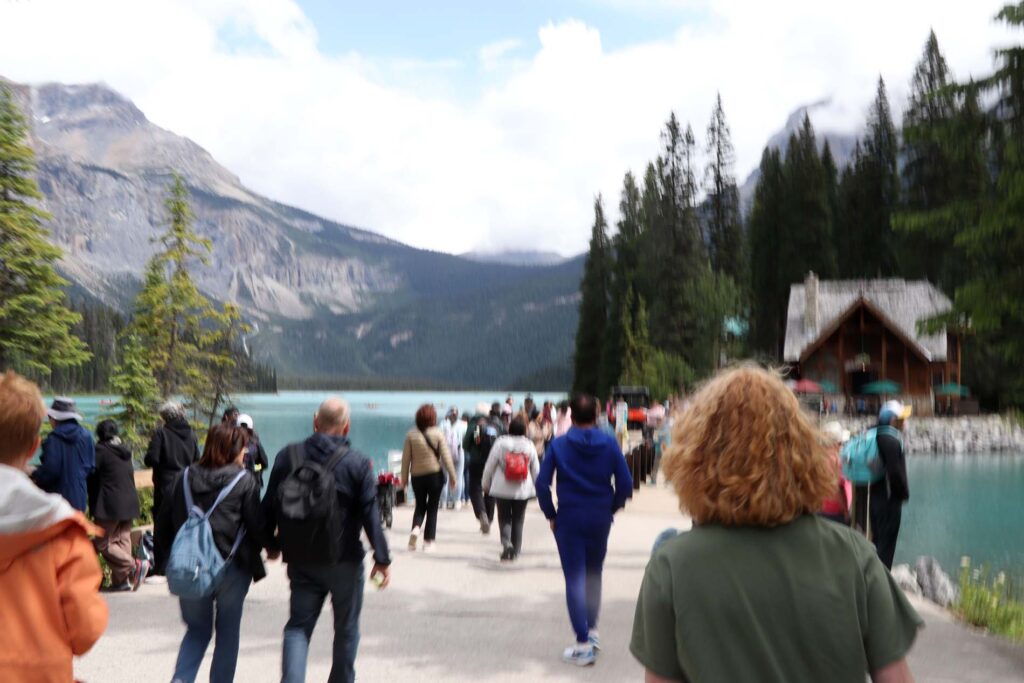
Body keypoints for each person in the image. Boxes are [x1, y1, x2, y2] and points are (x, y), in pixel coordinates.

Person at [630, 366, 922, 683]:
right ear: (801, 451)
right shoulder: (856, 557)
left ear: (694, 459)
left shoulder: (671, 567)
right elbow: (896, 678)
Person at [263, 397, 392, 683]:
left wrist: (271, 545)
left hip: (301, 559)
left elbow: (268, 506)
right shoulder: (357, 463)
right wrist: (381, 559)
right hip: (344, 560)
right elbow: (371, 515)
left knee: (298, 627)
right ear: (346, 428)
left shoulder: (288, 456)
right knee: (346, 630)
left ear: (315, 422)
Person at [0, 371, 108, 682]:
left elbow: (49, 472)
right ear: (32, 446)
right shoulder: (64, 536)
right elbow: (85, 631)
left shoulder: (55, 440)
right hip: (43, 675)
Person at [536, 394, 633, 666]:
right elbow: (625, 483)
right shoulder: (609, 443)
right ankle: (592, 631)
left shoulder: (559, 444)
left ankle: (582, 645)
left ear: (571, 416)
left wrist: (551, 514)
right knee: (594, 573)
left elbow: (542, 484)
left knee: (574, 578)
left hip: (570, 516)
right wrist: (612, 507)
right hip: (599, 515)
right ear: (597, 413)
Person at [168, 424, 267, 683]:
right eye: (243, 447)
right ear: (234, 449)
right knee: (227, 632)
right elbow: (256, 525)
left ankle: (181, 680)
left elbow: (167, 519)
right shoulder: (244, 480)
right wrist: (273, 546)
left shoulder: (184, 476)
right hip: (231, 568)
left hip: (191, 566)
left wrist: (164, 561)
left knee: (197, 630)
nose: (246, 452)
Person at [89, 419, 148, 591]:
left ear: (100, 434)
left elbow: (91, 472)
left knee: (102, 542)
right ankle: (121, 582)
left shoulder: (100, 450)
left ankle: (135, 565)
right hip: (130, 501)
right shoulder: (124, 451)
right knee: (122, 539)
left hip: (111, 503)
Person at [146, 401, 201, 578]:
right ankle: (185, 564)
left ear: (166, 417)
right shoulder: (191, 434)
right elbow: (197, 459)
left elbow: (152, 459)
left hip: (165, 484)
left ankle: (161, 566)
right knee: (183, 523)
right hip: (186, 484)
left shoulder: (162, 434)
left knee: (162, 525)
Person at [483, 415, 540, 561]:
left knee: (504, 517)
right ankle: (515, 551)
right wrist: (539, 488)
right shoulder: (529, 445)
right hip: (523, 489)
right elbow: (536, 469)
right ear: (525, 430)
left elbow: (490, 465)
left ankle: (506, 543)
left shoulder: (501, 443)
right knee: (519, 519)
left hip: (502, 488)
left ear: (510, 428)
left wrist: (485, 484)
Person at [401, 404, 457, 552]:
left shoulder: (411, 435)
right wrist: (453, 476)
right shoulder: (438, 433)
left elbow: (405, 460)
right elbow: (446, 457)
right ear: (433, 418)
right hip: (434, 476)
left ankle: (415, 529)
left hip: (417, 477)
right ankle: (428, 542)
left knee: (420, 505)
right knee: (432, 508)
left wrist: (404, 480)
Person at [31, 396, 95, 512]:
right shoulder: (87, 436)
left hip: (58, 500)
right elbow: (90, 467)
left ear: (54, 418)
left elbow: (51, 471)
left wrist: (35, 474)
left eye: (49, 417)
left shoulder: (54, 439)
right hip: (79, 497)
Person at [871, 400, 912, 569]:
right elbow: (895, 473)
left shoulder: (873, 435)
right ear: (893, 421)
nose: (905, 423)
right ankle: (881, 585)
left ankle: (871, 580)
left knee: (876, 541)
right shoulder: (891, 442)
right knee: (886, 546)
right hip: (889, 500)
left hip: (874, 496)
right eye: (902, 419)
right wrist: (904, 494)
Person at [463, 402, 505, 533]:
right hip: (492, 462)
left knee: (475, 489)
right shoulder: (496, 423)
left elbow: (465, 445)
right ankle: (490, 519)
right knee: (490, 490)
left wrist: (473, 450)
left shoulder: (474, 424)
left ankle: (482, 514)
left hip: (476, 462)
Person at [820, 421, 852, 525]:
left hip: (818, 507)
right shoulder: (834, 459)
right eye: (841, 443)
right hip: (834, 511)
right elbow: (838, 488)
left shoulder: (817, 456)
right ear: (836, 443)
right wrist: (845, 511)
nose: (842, 445)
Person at [440, 407, 466, 510]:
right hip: (459, 452)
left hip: (445, 453)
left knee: (444, 478)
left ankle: (443, 502)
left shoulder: (443, 424)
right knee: (458, 477)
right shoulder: (463, 425)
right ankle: (457, 501)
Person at [236, 413, 269, 490]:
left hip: (252, 483)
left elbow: (264, 465)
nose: (243, 431)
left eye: (245, 429)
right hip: (237, 484)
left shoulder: (255, 444)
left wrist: (253, 467)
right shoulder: (232, 443)